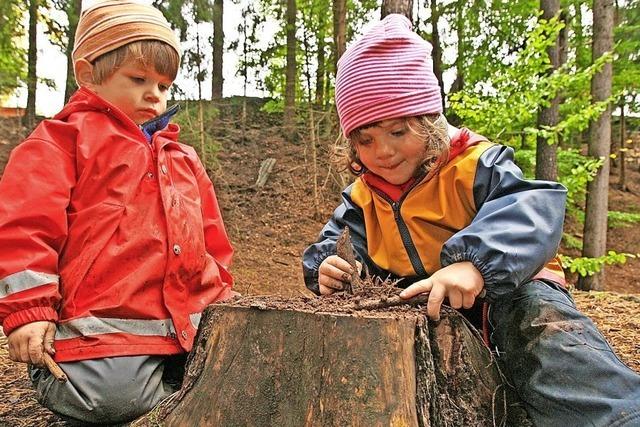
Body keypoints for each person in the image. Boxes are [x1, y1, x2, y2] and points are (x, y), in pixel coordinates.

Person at [303, 13, 640, 426]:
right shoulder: (361, 198)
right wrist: (327, 267)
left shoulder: (474, 164)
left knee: (547, 339)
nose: (384, 152)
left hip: (513, 291)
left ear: (428, 123)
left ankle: (615, 418)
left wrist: (474, 264)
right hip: (420, 304)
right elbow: (335, 242)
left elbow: (532, 208)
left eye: (398, 132)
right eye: (366, 140)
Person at [0, 1, 235, 424]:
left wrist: (221, 304)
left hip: (188, 329)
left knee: (236, 378)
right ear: (89, 74)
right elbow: (24, 231)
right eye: (139, 78)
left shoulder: (183, 159)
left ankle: (175, 395)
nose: (155, 94)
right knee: (112, 398)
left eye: (165, 85)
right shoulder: (59, 142)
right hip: (99, 335)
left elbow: (213, 242)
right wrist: (27, 314)